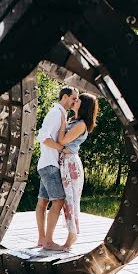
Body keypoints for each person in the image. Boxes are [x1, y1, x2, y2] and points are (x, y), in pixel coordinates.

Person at [35, 87, 78, 249]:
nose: (74, 102)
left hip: (46, 164)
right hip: (50, 166)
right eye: (73, 98)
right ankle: (48, 241)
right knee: (58, 201)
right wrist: (61, 149)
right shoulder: (56, 113)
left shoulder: (61, 113)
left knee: (42, 202)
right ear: (65, 97)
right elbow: (43, 137)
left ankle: (41, 239)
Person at [57, 92, 99, 249]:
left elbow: (62, 140)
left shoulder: (81, 125)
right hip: (66, 163)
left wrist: (61, 121)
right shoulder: (75, 121)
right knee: (66, 200)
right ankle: (71, 234)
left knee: (71, 201)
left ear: (84, 105)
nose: (74, 101)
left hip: (71, 165)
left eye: (77, 100)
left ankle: (71, 237)